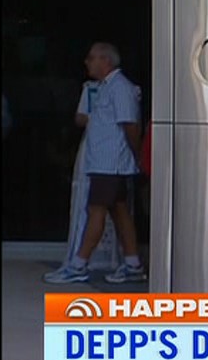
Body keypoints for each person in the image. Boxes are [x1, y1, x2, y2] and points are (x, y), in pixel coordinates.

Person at [44, 43, 146, 284]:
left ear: (106, 61)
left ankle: (78, 265)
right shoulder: (105, 87)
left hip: (110, 163)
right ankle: (133, 263)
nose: (87, 62)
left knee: (96, 211)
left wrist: (138, 155)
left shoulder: (120, 87)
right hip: (104, 162)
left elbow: (130, 124)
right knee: (119, 210)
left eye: (92, 58)